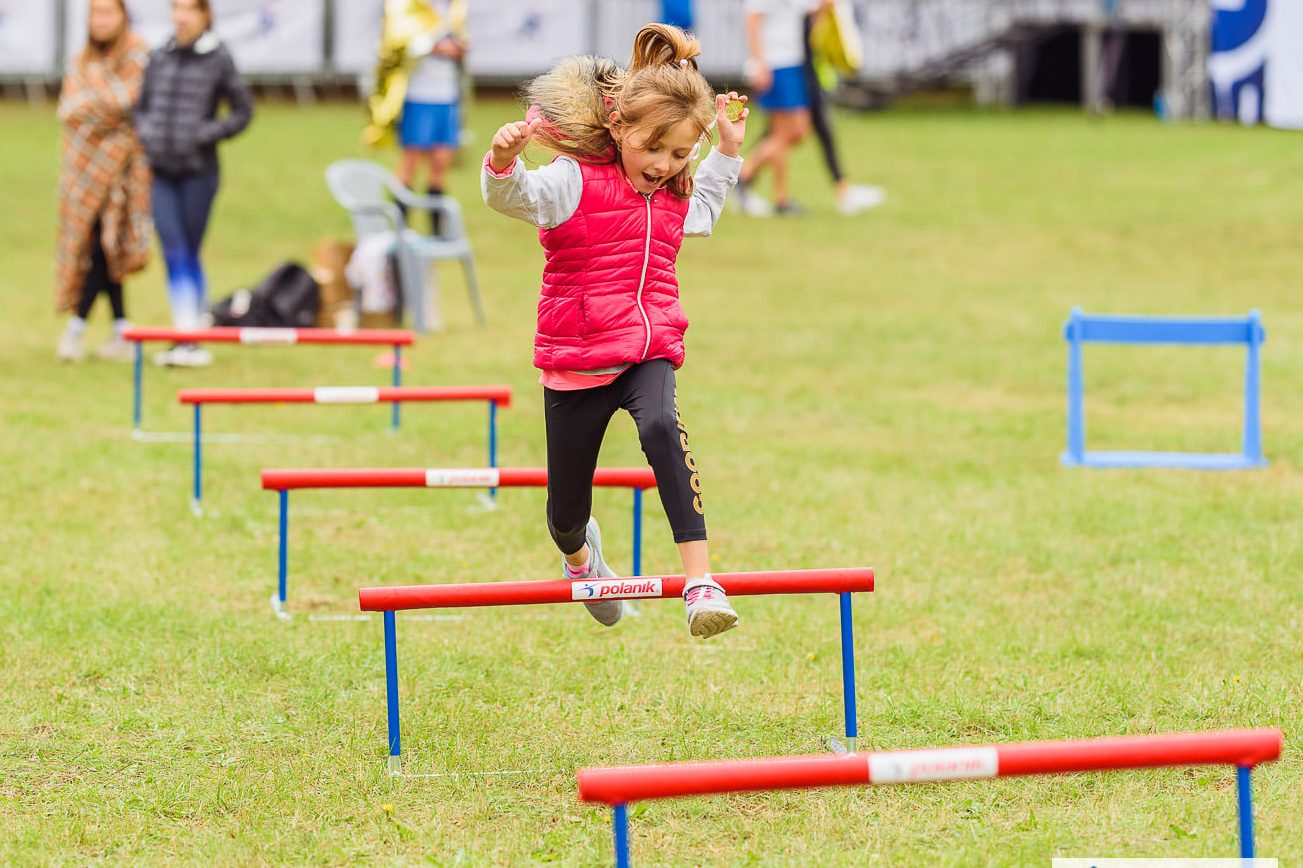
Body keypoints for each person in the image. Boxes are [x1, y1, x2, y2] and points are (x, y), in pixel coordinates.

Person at [482, 24, 748, 639]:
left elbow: (704, 208)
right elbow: (515, 196)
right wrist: (501, 161)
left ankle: (702, 583)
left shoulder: (676, 188)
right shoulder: (574, 180)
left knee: (661, 424)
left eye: (681, 154)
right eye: (655, 149)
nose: (666, 166)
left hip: (647, 347)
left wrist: (724, 151)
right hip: (577, 359)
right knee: (565, 515)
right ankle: (583, 559)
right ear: (622, 130)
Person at [135, 0, 253, 366]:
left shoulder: (218, 57)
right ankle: (186, 334)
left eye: (189, 9)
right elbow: (141, 107)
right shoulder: (160, 54)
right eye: (176, 8)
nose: (181, 17)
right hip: (161, 170)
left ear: (205, 15)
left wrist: (204, 134)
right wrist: (149, 133)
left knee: (189, 250)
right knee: (173, 250)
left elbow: (242, 111)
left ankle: (192, 333)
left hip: (199, 172)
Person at [54, 0, 152, 363]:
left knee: (106, 244)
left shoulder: (138, 55)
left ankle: (77, 328)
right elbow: (70, 108)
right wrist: (95, 105)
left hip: (123, 171)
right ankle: (122, 329)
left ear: (123, 16)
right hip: (84, 171)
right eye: (95, 13)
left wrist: (91, 104)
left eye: (108, 13)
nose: (101, 21)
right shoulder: (81, 60)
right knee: (98, 244)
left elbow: (119, 103)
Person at [394, 0, 468, 236]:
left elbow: (464, 43)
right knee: (411, 161)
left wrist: (459, 48)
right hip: (419, 96)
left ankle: (436, 231)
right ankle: (400, 226)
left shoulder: (455, 10)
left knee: (440, 162)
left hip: (447, 98)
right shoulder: (410, 8)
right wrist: (435, 46)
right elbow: (399, 42)